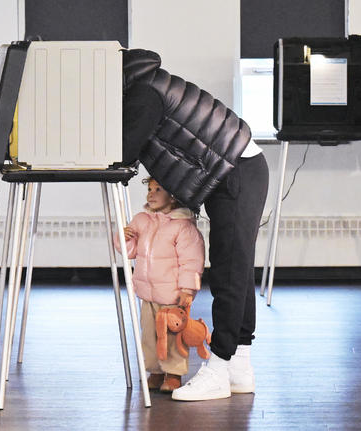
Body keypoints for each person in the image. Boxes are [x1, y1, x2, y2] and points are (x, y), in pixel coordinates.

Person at [122, 49, 269, 401]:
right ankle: (239, 367)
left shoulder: (143, 94)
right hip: (241, 168)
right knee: (237, 268)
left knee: (228, 273)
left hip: (235, 172)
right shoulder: (151, 83)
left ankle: (218, 368)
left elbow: (123, 151)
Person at [115, 177, 205, 394]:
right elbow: (130, 251)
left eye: (158, 189)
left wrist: (187, 289)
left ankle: (173, 374)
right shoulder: (142, 220)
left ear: (173, 196)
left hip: (173, 296)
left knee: (173, 338)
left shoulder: (183, 228)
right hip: (148, 293)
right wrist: (123, 237)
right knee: (149, 335)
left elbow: (192, 261)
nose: (151, 194)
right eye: (149, 189)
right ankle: (155, 372)